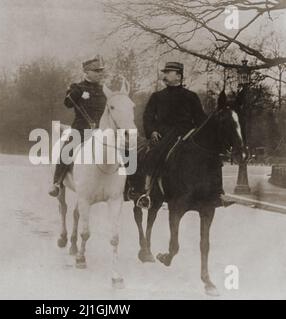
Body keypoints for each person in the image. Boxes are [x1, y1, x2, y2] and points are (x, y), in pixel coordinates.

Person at [129, 61, 229, 207]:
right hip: (164, 135)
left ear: (178, 76)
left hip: (187, 135)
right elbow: (147, 117)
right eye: (165, 72)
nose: (165, 75)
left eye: (168, 72)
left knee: (212, 156)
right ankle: (147, 193)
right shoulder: (157, 96)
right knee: (152, 155)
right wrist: (152, 132)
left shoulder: (191, 96)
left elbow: (200, 119)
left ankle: (217, 193)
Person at [48, 55, 107, 197]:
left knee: (124, 149)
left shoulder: (104, 89)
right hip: (81, 128)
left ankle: (130, 186)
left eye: (101, 71)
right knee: (67, 149)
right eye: (96, 71)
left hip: (103, 129)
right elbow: (68, 103)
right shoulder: (78, 87)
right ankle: (57, 182)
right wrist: (75, 93)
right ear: (87, 72)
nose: (100, 73)